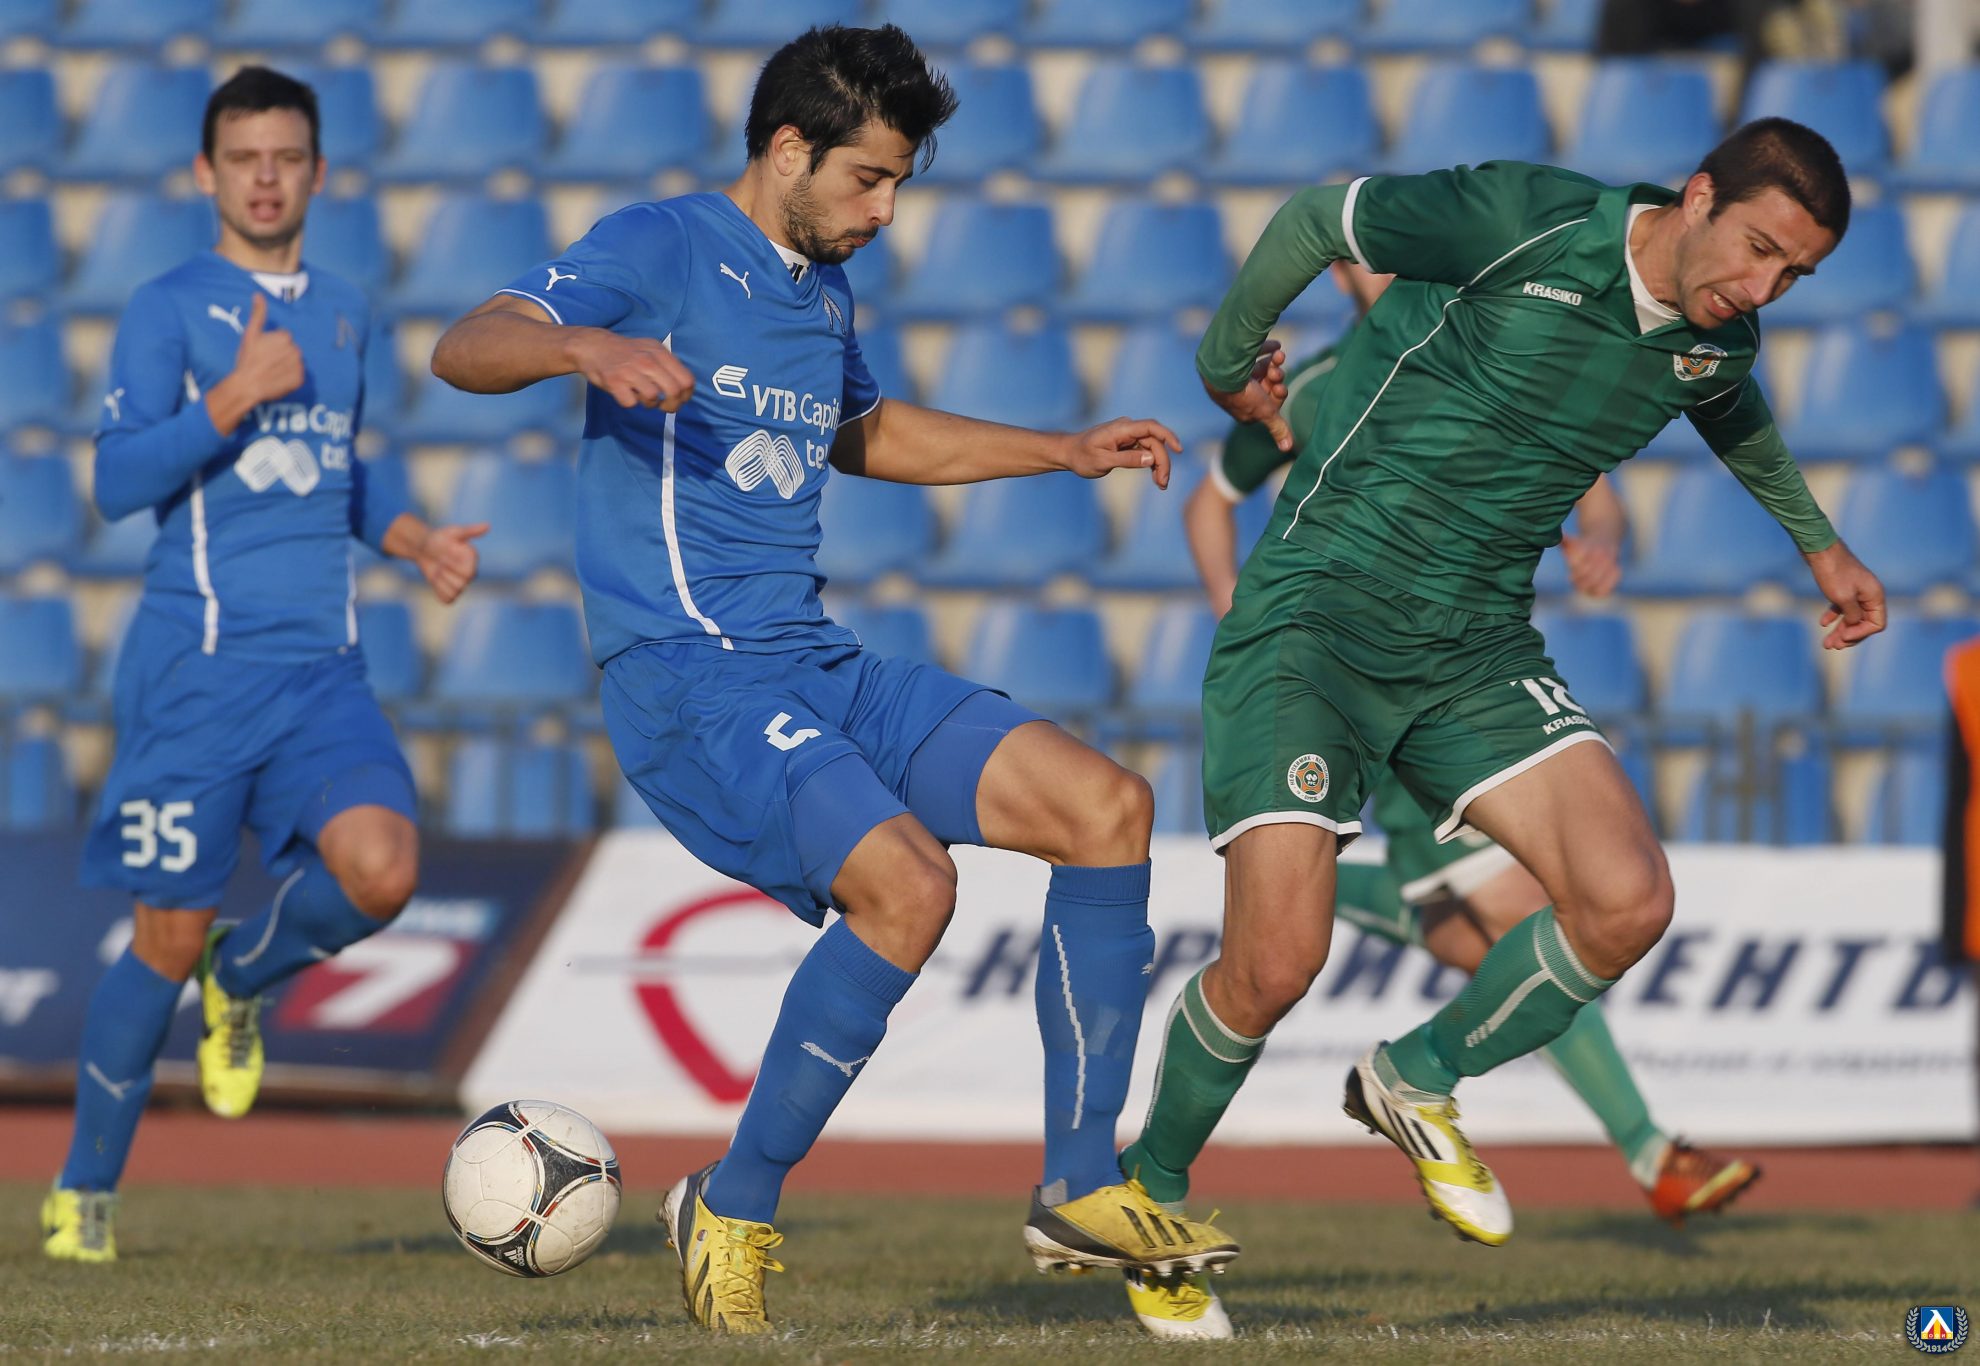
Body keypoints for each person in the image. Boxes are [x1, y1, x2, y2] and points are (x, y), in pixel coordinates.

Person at [430, 24, 1234, 1335]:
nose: (887, 210)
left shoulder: (821, 291)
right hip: (689, 674)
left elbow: (866, 432)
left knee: (1108, 807)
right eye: (870, 179)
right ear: (790, 148)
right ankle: (733, 1204)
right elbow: (467, 343)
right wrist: (583, 350)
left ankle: (1082, 1186)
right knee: (910, 885)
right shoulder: (662, 244)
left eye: (902, 183)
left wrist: (1061, 448)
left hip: (811, 660)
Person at [1117, 119, 1886, 1333]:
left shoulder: (1718, 337)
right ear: (1697, 196)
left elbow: (1727, 400)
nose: (1763, 288)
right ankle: (1148, 1197)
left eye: (1795, 274)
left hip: (1473, 648)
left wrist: (1821, 545)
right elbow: (1320, 216)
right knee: (1274, 965)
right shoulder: (1529, 218)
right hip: (1317, 619)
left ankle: (1415, 1076)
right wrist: (1224, 364)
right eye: (1758, 249)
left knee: (1628, 899)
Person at [1150, 257, 1758, 1339]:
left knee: (1542, 919)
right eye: (1370, 257)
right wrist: (1231, 597)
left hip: (1449, 672)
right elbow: (1212, 496)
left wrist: (1598, 534)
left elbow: (1587, 469)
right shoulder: (1324, 383)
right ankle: (1152, 1193)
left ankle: (1579, 1128)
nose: (1390, 270)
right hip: (1324, 667)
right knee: (1302, 956)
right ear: (1348, 280)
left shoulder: (1508, 355)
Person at [41, 67, 487, 1264]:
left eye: (286, 157)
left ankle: (245, 975)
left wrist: (415, 538)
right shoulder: (167, 307)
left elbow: (344, 469)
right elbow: (117, 479)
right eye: (244, 158)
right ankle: (84, 1194)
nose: (266, 178)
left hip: (322, 676)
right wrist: (231, 396)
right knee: (160, 942)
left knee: (385, 871)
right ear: (207, 173)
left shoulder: (344, 309)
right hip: (195, 674)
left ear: (319, 172)